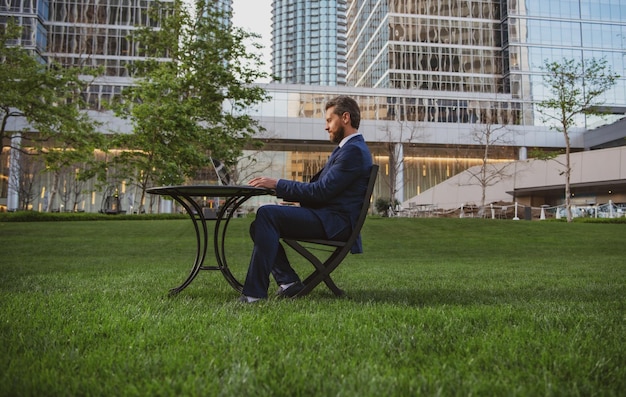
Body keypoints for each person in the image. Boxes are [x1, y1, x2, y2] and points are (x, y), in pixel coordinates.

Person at [240, 95, 373, 303]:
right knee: (259, 225)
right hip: (329, 217)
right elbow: (327, 192)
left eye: (329, 120)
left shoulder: (353, 151)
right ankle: (289, 283)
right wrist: (295, 201)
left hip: (335, 223)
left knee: (267, 213)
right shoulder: (349, 149)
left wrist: (277, 184)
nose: (326, 127)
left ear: (345, 118)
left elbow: (321, 191)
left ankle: (253, 295)